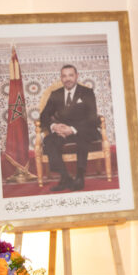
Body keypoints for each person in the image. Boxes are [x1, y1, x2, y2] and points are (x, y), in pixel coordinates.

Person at [40, 64, 100, 192]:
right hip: (63, 131)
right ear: (61, 78)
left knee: (82, 138)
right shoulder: (56, 94)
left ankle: (79, 177)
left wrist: (72, 129)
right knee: (49, 140)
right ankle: (65, 177)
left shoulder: (87, 93)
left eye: (71, 75)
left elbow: (92, 118)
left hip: (84, 129)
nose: (67, 79)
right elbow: (44, 116)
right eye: (64, 76)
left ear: (77, 76)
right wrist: (54, 126)